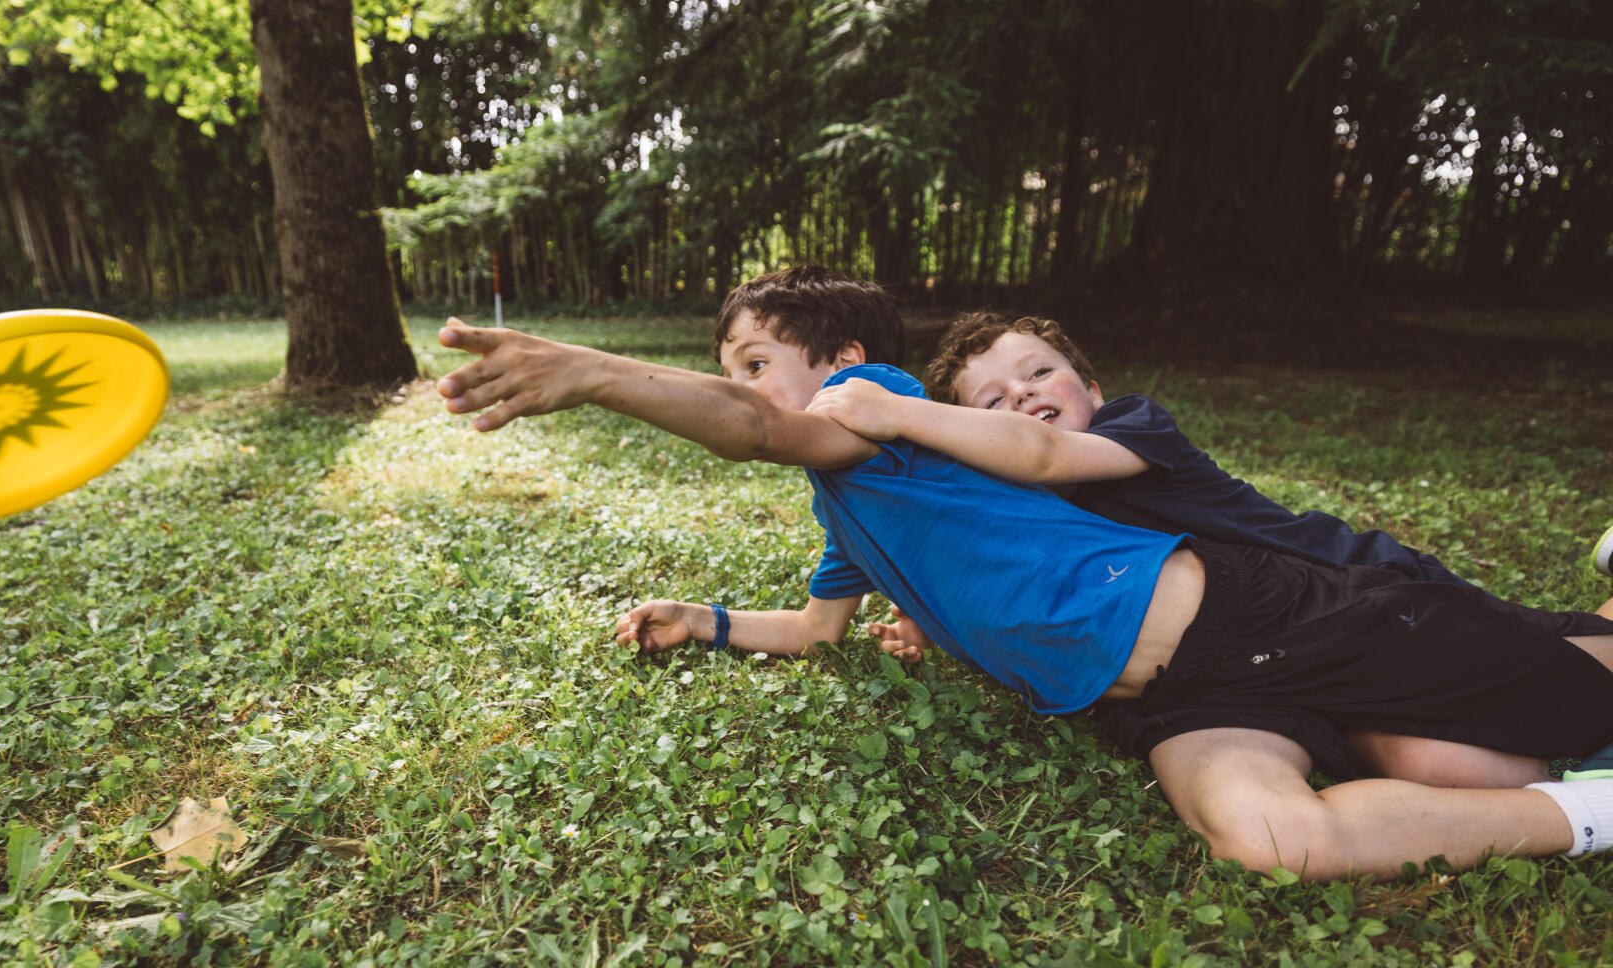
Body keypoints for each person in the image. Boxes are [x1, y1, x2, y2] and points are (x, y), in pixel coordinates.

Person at [433, 267, 1613, 880]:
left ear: (845, 364)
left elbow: (761, 426)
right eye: (732, 368)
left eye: (755, 361)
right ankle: (1586, 812)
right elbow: (818, 628)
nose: (742, 384)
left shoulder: (875, 412)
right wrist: (711, 620)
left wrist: (587, 370)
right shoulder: (847, 500)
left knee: (1557, 704)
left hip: (1261, 612)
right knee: (1273, 842)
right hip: (1175, 697)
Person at [806, 309, 1613, 790]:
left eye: (1039, 373)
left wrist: (902, 414)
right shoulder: (1032, 505)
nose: (1020, 398)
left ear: (1090, 387)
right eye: (992, 400)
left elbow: (1040, 453)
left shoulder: (1132, 428)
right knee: (1431, 749)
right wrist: (920, 618)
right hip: (1282, 653)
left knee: (1566, 652)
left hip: (1364, 585)